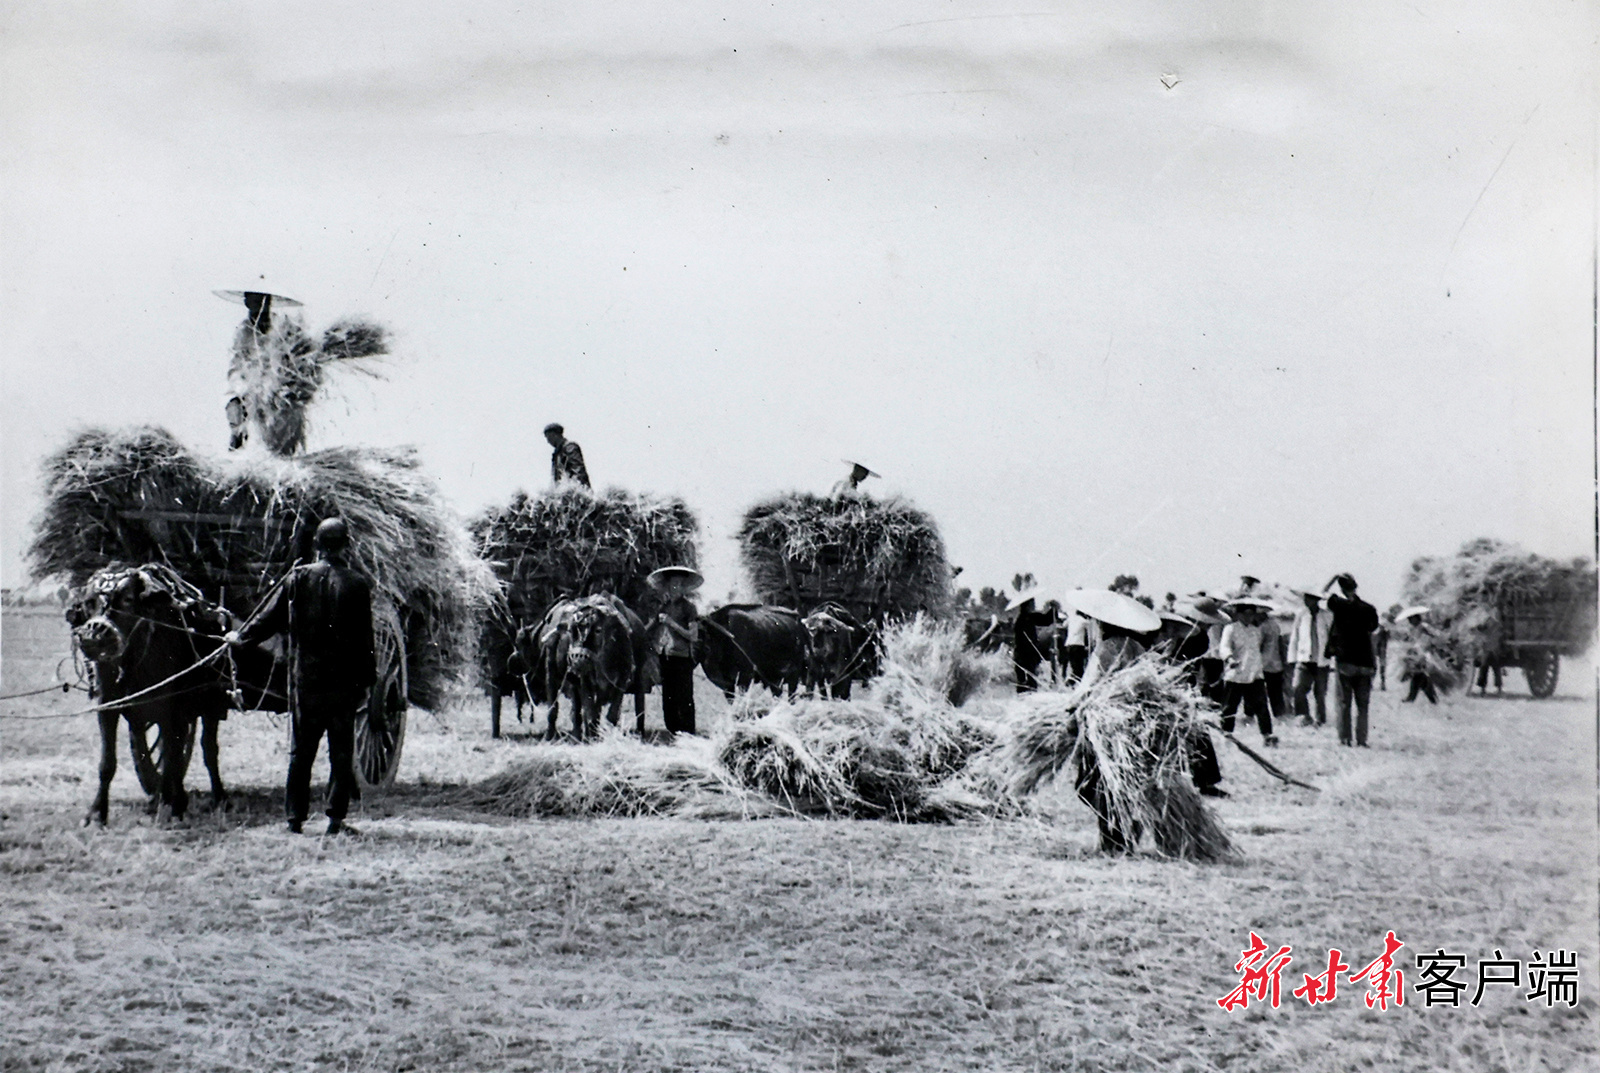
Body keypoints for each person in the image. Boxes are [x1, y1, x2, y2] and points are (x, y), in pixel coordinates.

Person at [227, 517, 375, 835]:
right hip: (342, 685)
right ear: (346, 546)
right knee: (341, 750)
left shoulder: (298, 579)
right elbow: (365, 641)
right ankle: (335, 819)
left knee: (301, 752)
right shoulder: (357, 584)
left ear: (317, 546)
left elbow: (267, 618)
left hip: (306, 682)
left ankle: (295, 820)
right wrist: (366, 684)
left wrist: (240, 639)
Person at [1323, 573, 1380, 747]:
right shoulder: (1369, 609)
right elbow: (1373, 628)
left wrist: (1332, 578)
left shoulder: (1338, 605)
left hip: (1345, 661)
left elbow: (1323, 592)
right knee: (1363, 706)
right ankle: (1362, 740)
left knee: (1343, 703)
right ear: (1355, 587)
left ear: (1341, 589)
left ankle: (1345, 739)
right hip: (1365, 663)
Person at [648, 566, 702, 734]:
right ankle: (673, 730)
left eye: (678, 584)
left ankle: (688, 732)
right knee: (668, 697)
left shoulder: (689, 608)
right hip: (665, 656)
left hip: (682, 657)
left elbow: (693, 635)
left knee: (684, 696)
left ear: (683, 587)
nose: (674, 588)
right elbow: (651, 627)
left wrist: (671, 623)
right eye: (671, 585)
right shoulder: (663, 607)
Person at [1218, 598, 1278, 745]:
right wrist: (1230, 659)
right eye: (1245, 613)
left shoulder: (1256, 630)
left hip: (1254, 673)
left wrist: (1261, 663)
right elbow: (1224, 647)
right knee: (1230, 706)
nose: (1248, 617)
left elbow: (1261, 649)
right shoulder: (1230, 629)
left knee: (1261, 706)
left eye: (1251, 614)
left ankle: (1267, 735)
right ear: (1238, 614)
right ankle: (1226, 734)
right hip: (1236, 673)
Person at [1288, 590, 1330, 727]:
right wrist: (1292, 658)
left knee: (1320, 692)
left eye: (1309, 599)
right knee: (1298, 688)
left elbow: (1331, 638)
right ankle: (1303, 716)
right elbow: (1295, 636)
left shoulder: (1327, 616)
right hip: (1304, 658)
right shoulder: (1301, 615)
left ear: (1316, 600)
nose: (1306, 601)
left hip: (1321, 660)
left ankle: (1320, 720)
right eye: (1305, 599)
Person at [1011, 596, 1053, 693]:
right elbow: (1046, 620)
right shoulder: (1026, 619)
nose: (1034, 605)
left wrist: (1052, 610)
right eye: (1032, 603)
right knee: (1029, 676)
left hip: (1022, 652)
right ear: (1027, 605)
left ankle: (1024, 696)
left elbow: (1046, 620)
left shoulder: (1021, 619)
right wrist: (1053, 610)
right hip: (1026, 652)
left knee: (1024, 677)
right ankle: (1028, 695)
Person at [1259, 607, 1287, 728]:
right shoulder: (1275, 624)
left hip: (1265, 664)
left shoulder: (1262, 627)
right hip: (1276, 663)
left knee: (1261, 692)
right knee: (1276, 693)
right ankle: (1279, 715)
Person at [544, 423, 591, 488]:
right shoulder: (557, 454)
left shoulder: (570, 448)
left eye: (548, 438)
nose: (548, 442)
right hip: (564, 492)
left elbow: (578, 471)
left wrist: (579, 491)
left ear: (554, 435)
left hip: (575, 492)